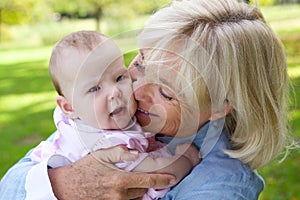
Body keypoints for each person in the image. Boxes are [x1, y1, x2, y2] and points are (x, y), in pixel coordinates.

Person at [0, 0, 291, 199]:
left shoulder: (218, 185)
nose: (134, 94)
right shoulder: (105, 122)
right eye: (139, 64)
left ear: (217, 106)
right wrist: (63, 185)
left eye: (166, 92)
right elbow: (9, 186)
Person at [22, 30, 200, 200]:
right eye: (94, 88)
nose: (114, 92)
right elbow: (156, 174)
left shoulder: (81, 119)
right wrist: (186, 159)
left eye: (119, 78)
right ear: (68, 107)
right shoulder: (109, 145)